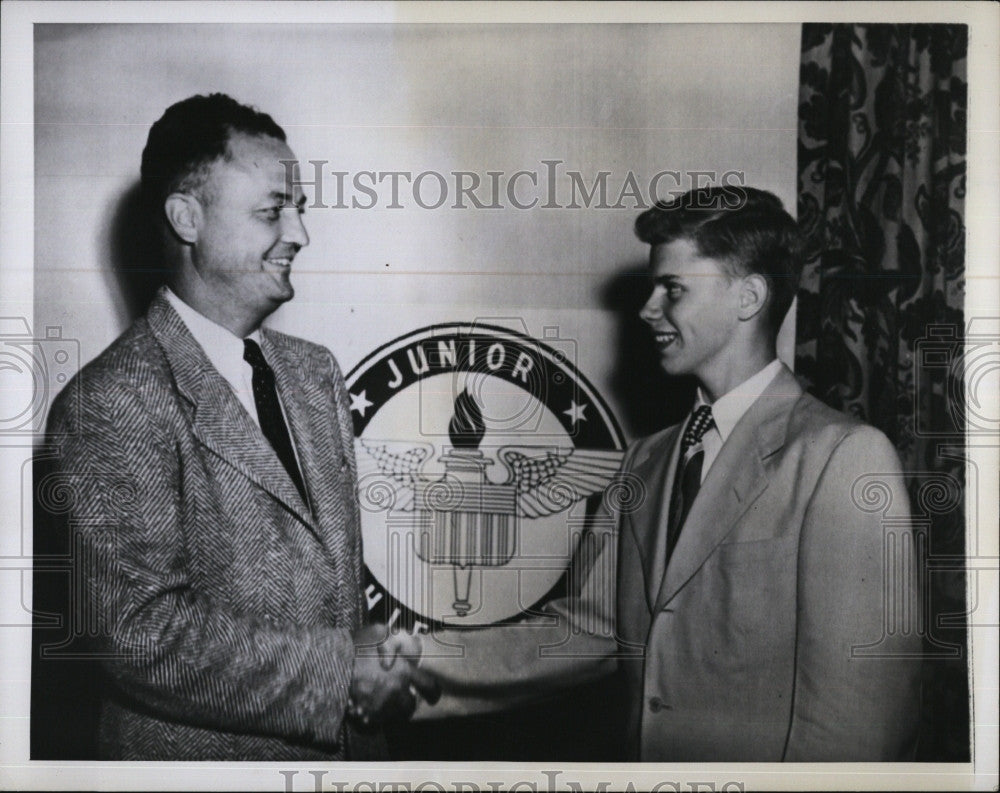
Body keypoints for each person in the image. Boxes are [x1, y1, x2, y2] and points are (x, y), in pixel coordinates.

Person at [421, 185, 921, 761]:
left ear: (749, 297)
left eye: (673, 289)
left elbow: (860, 728)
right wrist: (403, 667)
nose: (647, 309)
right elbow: (583, 631)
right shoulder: (645, 462)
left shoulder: (844, 457)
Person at [43, 93, 437, 761]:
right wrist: (340, 672)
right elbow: (140, 636)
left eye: (300, 210)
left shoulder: (315, 375)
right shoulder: (108, 401)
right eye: (270, 211)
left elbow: (323, 588)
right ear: (187, 217)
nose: (300, 234)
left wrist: (366, 651)